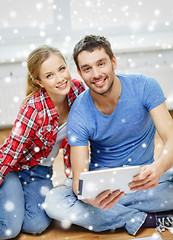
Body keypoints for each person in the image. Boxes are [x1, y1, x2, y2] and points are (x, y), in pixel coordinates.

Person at [45, 35, 173, 236]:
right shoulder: (79, 111)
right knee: (54, 202)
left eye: (101, 64)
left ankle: (115, 215)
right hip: (104, 190)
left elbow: (171, 138)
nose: (96, 74)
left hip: (147, 182)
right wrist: (90, 199)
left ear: (113, 62)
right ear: (80, 73)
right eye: (87, 68)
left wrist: (158, 168)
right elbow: (79, 178)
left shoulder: (145, 86)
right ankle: (147, 219)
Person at [0, 45, 85, 239]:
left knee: (36, 225)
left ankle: (14, 200)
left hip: (40, 173)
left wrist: (76, 181)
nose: (60, 78)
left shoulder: (77, 91)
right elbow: (9, 153)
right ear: (39, 81)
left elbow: (77, 141)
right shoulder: (33, 108)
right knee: (8, 230)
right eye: (50, 75)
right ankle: (10, 194)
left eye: (61, 69)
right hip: (13, 169)